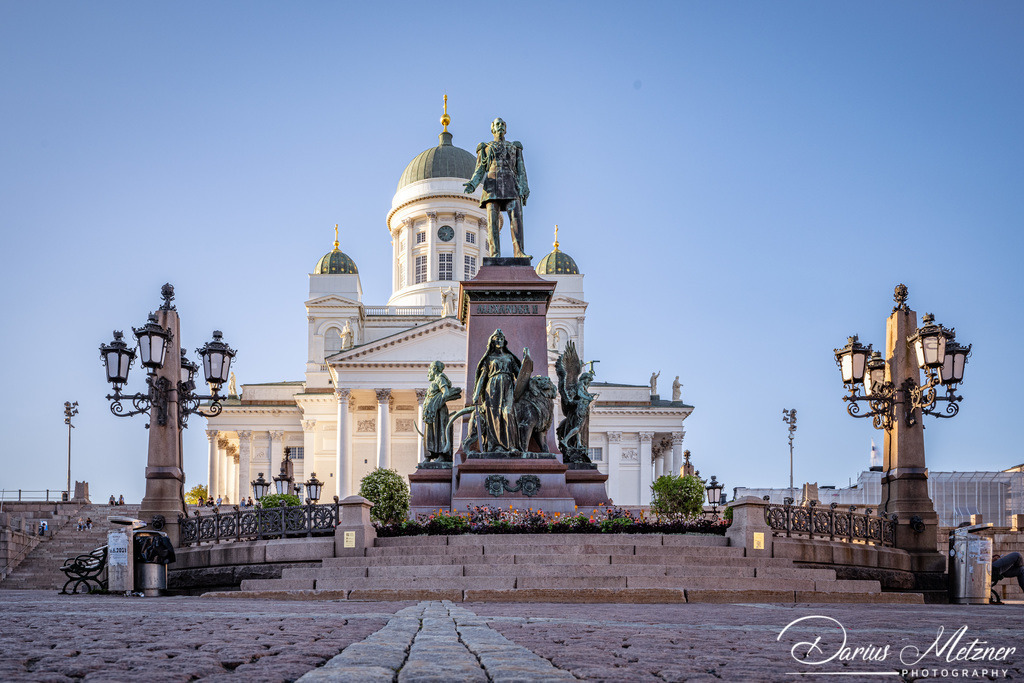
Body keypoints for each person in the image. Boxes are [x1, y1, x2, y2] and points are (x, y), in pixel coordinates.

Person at [463, 118, 530, 259]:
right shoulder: (485, 148)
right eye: (497, 124)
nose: (499, 127)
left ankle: (519, 252)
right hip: (492, 186)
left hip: (511, 184)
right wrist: (473, 184)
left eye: (502, 124)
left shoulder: (514, 147)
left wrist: (524, 187)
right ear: (492, 129)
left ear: (505, 129)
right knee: (492, 221)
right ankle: (494, 255)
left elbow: (521, 168)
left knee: (516, 219)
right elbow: (480, 169)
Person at [472, 329, 524, 452]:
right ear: (492, 342)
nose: (499, 341)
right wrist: (476, 393)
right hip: (493, 388)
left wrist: (526, 359)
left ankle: (511, 445)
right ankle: (496, 446)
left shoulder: (509, 357)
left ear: (504, 341)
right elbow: (483, 376)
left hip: (508, 386)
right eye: (497, 339)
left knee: (508, 413)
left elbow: (520, 374)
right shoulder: (489, 358)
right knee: (494, 416)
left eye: (501, 339)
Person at [422, 360, 462, 462]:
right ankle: (430, 456)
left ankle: (441, 455)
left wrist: (436, 403)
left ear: (435, 369)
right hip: (432, 412)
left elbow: (446, 393)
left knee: (439, 431)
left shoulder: (440, 378)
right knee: (430, 433)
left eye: (430, 369)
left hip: (439, 411)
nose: (429, 371)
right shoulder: (435, 381)